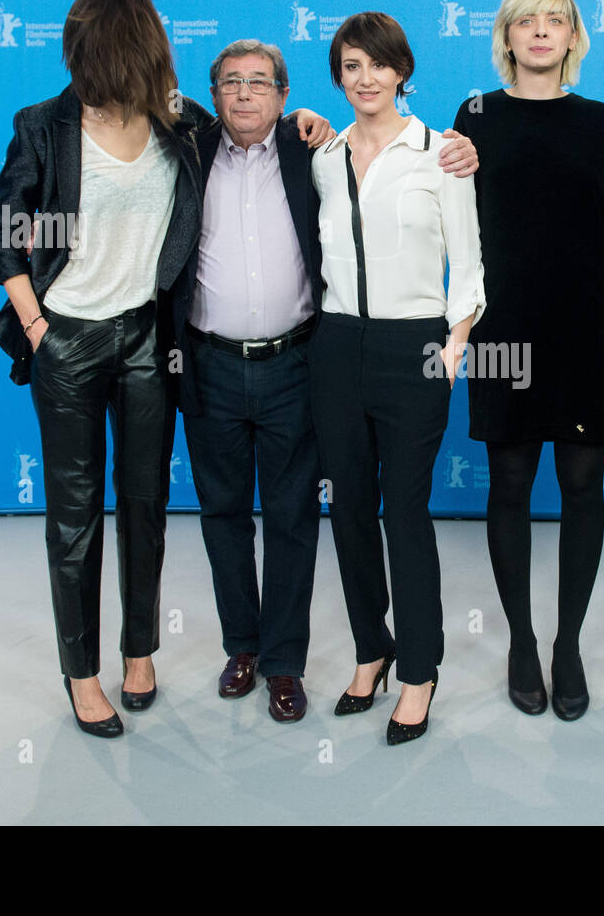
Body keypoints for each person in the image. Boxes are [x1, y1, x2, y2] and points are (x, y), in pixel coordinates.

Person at [169, 40, 477, 724]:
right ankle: (252, 648)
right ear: (213, 94)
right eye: (230, 83)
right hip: (221, 362)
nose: (244, 94)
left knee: (299, 517)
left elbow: (464, 247)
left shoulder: (316, 150)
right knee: (233, 514)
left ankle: (289, 663)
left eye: (260, 83)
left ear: (284, 96)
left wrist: (454, 346)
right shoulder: (197, 150)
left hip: (302, 361)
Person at [0, 0, 209, 737]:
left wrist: (310, 124)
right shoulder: (44, 126)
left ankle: (139, 651)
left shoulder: (177, 122)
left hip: (149, 338)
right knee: (75, 519)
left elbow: (254, 137)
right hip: (69, 340)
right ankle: (82, 674)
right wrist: (38, 325)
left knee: (145, 505)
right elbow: (6, 231)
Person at [452, 0, 604, 721]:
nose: (540, 32)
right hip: (505, 330)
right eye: (526, 21)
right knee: (508, 483)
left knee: (583, 485)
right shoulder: (474, 115)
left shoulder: (602, 122)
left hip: (588, 332)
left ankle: (568, 645)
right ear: (506, 35)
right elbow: (445, 219)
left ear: (573, 36)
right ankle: (522, 642)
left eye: (555, 20)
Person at [309, 12, 485, 745]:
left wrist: (453, 346)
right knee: (348, 508)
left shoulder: (441, 153)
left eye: (379, 65)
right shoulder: (323, 156)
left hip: (415, 348)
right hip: (334, 343)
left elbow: (470, 263)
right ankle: (371, 650)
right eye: (351, 66)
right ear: (338, 76)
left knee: (402, 513)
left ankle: (419, 670)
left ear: (402, 71)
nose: (366, 78)